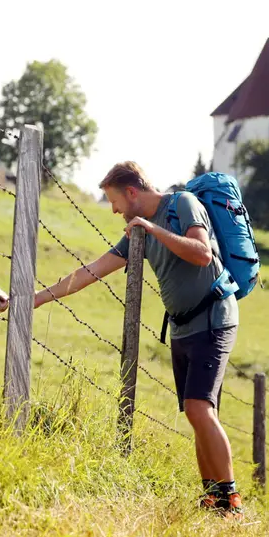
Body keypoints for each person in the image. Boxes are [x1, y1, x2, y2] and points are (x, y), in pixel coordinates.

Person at [33, 160, 242, 517]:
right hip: (182, 326)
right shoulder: (137, 231)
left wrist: (151, 230)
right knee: (198, 413)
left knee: (198, 408)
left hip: (214, 318)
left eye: (115, 201)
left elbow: (201, 252)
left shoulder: (182, 205)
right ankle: (212, 498)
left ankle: (231, 500)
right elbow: (92, 271)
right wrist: (33, 300)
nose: (113, 209)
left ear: (132, 192)